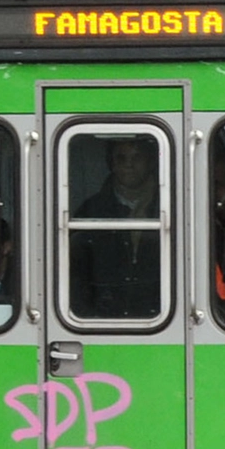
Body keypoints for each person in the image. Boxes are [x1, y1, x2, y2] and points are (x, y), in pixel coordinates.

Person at [70, 137, 162, 319]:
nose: (128, 165)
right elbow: (75, 274)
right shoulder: (90, 211)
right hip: (101, 320)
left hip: (161, 316)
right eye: (121, 158)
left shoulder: (172, 206)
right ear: (111, 163)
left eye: (137, 158)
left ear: (151, 162)